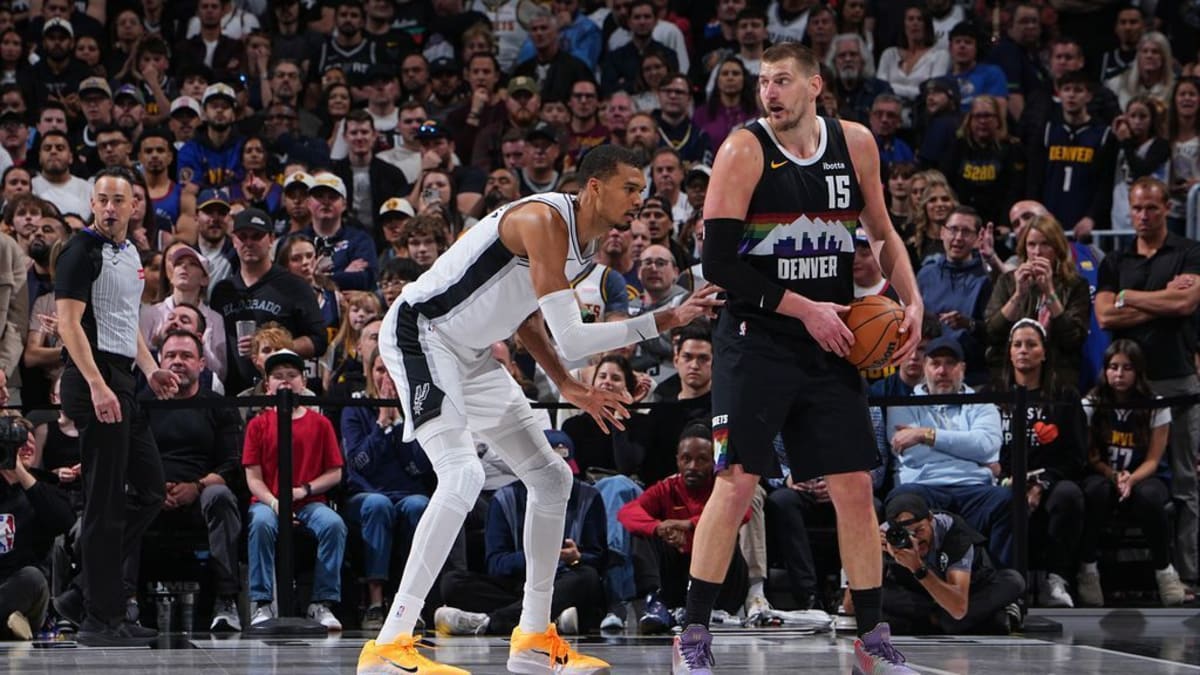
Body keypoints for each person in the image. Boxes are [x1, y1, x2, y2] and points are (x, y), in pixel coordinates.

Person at [358, 144, 719, 675]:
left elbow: (528, 318)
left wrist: (567, 385)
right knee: (462, 475)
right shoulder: (543, 219)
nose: (637, 200)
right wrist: (665, 319)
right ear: (593, 187)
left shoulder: (584, 247)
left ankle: (531, 638)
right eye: (629, 188)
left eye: (641, 191)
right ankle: (389, 644)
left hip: (473, 353)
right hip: (423, 334)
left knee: (552, 479)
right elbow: (571, 338)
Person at [675, 43, 924, 675]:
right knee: (736, 483)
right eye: (763, 82)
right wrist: (804, 308)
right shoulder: (743, 150)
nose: (769, 93)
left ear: (814, 85)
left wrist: (912, 298)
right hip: (755, 337)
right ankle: (692, 633)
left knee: (855, 487)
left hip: (830, 335)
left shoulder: (855, 143)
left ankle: (871, 636)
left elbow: (881, 232)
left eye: (781, 81)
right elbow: (718, 263)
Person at [54, 166, 180, 645]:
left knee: (150, 490)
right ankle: (100, 619)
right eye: (102, 199)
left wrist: (151, 368)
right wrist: (96, 384)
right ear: (92, 204)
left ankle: (84, 590)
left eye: (118, 200)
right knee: (104, 502)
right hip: (94, 377)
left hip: (123, 377)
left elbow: (124, 320)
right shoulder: (79, 251)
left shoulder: (131, 254)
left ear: (134, 206)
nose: (110, 208)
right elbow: (68, 324)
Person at [1095, 176, 1200, 594]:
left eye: (1152, 207)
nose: (1143, 215)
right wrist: (1160, 300)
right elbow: (1105, 315)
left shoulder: (1189, 252)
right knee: (1125, 476)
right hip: (1128, 388)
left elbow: (1186, 302)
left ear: (1167, 208)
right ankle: (1127, 572)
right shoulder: (1116, 260)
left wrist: (1129, 296)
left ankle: (1189, 574)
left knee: (1187, 481)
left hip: (1178, 380)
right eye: (1137, 208)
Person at [1078, 339, 1187, 606]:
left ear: (1138, 371)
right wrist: (1113, 476)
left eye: (1127, 368)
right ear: (1105, 370)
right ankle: (1088, 570)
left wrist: (1131, 478)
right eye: (1113, 367)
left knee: (1149, 498)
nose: (1119, 374)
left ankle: (1164, 570)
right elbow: (1091, 456)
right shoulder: (1091, 403)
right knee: (1094, 492)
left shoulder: (1156, 405)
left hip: (1145, 476)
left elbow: (1153, 459)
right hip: (1104, 474)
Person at [619, 422, 749, 634]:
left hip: (723, 580)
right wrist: (659, 527)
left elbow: (744, 512)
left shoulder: (723, 487)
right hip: (678, 574)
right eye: (686, 459)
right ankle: (655, 602)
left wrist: (689, 525)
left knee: (726, 534)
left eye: (702, 459)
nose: (693, 466)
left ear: (714, 462)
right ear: (677, 460)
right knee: (641, 532)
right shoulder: (667, 487)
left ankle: (719, 608)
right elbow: (627, 513)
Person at [877, 493, 1025, 635]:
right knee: (878, 599)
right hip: (921, 597)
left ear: (930, 519)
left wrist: (917, 568)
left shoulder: (955, 533)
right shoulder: (884, 536)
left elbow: (958, 607)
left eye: (919, 530)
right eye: (906, 534)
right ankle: (945, 620)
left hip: (969, 591)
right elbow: (864, 594)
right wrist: (875, 553)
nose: (915, 540)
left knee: (1013, 580)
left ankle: (930, 622)